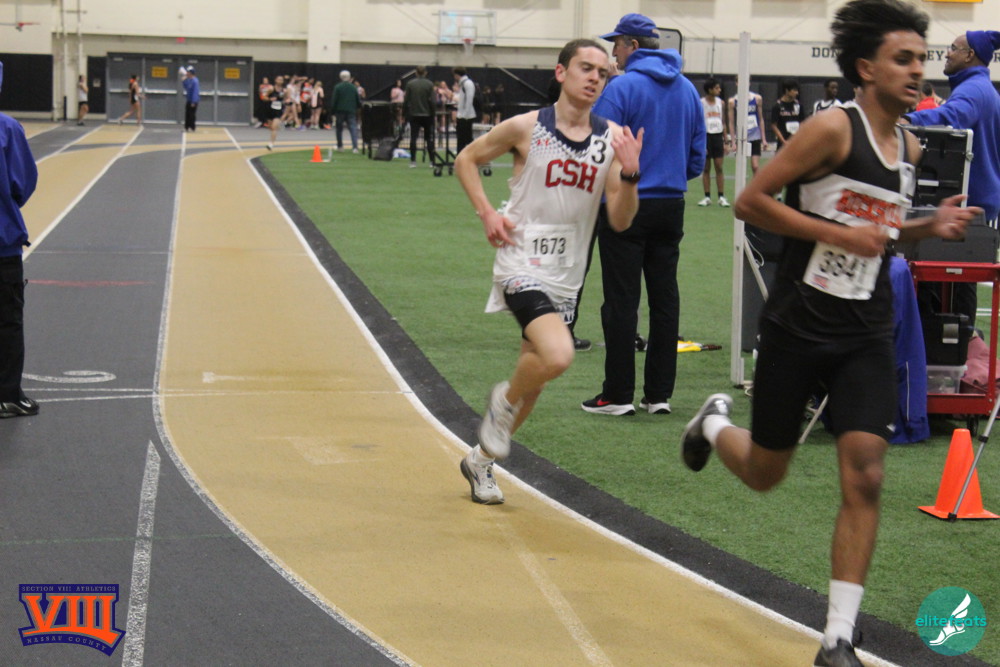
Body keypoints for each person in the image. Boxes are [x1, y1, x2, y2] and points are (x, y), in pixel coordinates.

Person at [678, 2, 981, 664]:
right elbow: (750, 202)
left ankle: (837, 636)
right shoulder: (831, 130)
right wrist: (839, 234)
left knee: (866, 472)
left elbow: (881, 235)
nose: (917, 70)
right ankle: (712, 424)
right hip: (798, 324)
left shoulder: (910, 147)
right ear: (866, 68)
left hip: (866, 329)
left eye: (922, 59)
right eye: (903, 59)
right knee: (765, 472)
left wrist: (925, 227)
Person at [453, 39, 642, 504]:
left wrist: (631, 175)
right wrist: (487, 213)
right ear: (561, 72)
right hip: (520, 262)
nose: (594, 77)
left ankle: (480, 461)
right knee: (557, 356)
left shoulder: (613, 139)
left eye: (602, 72)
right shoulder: (526, 127)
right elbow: (467, 160)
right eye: (585, 67)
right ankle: (501, 403)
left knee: (534, 383)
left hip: (567, 274)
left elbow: (620, 220)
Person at [580, 13, 705, 417]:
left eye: (616, 44)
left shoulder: (622, 88)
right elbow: (697, 158)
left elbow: (597, 147)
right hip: (672, 204)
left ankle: (618, 394)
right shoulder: (687, 89)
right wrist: (668, 174)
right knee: (665, 299)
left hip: (627, 201)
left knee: (621, 300)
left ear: (632, 45)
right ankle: (658, 395)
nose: (613, 53)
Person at [904, 29, 1000, 327]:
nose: (946, 53)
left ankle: (956, 344)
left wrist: (906, 120)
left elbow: (951, 117)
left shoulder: (974, 90)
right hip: (976, 201)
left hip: (969, 203)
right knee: (957, 282)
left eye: (953, 48)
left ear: (970, 55)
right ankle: (958, 342)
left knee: (953, 283)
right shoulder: (980, 88)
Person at [0, 62, 40, 420]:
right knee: (7, 320)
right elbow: (23, 183)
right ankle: (7, 395)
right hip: (2, 243)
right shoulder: (8, 129)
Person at [698, 77, 730, 207]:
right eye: (717, 88)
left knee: (719, 167)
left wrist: (726, 141)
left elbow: (723, 122)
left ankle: (721, 196)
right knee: (706, 168)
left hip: (717, 136)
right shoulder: (701, 103)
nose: (719, 90)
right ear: (710, 89)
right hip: (706, 136)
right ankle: (707, 197)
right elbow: (698, 123)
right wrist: (700, 143)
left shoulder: (721, 103)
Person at [727, 83, 769, 177]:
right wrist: (733, 142)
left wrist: (764, 139)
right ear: (736, 84)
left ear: (749, 83)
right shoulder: (733, 101)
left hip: (755, 136)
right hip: (741, 138)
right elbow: (731, 122)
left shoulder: (757, 98)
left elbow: (761, 119)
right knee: (741, 167)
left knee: (755, 166)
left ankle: (757, 185)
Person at [403, 66, 436, 168]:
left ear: (416, 73)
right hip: (427, 115)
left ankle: (413, 161)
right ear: (425, 73)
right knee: (429, 138)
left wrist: (405, 113)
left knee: (413, 138)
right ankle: (432, 161)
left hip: (414, 114)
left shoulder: (410, 84)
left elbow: (406, 100)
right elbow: (433, 101)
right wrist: (433, 114)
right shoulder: (430, 84)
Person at [331, 70, 361, 153]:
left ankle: (340, 146)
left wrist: (333, 111)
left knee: (339, 129)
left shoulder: (338, 87)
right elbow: (357, 99)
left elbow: (334, 100)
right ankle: (355, 147)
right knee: (353, 128)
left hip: (340, 110)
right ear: (349, 77)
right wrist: (357, 107)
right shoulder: (353, 87)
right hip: (351, 110)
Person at [770, 79, 803, 151]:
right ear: (787, 91)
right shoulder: (777, 106)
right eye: (794, 90)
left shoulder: (798, 105)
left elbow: (803, 123)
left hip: (797, 141)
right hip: (783, 143)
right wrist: (783, 141)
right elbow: (774, 125)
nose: (797, 93)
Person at [452, 67, 477, 154]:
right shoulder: (463, 84)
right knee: (461, 140)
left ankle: (475, 155)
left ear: (457, 75)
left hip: (466, 117)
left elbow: (469, 100)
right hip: (462, 115)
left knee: (467, 139)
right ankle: (460, 157)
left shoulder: (468, 83)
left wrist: (465, 116)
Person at [264, 79, 284, 151]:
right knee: (270, 127)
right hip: (270, 110)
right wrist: (270, 99)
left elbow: (287, 98)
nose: (280, 81)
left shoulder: (284, 90)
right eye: (279, 79)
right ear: (276, 81)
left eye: (281, 80)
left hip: (278, 111)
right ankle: (272, 136)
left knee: (274, 128)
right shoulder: (271, 89)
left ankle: (271, 144)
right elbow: (265, 97)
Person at [182, 66, 200, 132]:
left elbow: (195, 92)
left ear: (191, 73)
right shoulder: (189, 80)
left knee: (192, 114)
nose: (187, 73)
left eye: (188, 72)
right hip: (189, 100)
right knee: (187, 114)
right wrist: (183, 81)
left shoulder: (195, 81)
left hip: (193, 101)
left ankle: (192, 127)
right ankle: (186, 127)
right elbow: (186, 87)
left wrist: (193, 102)